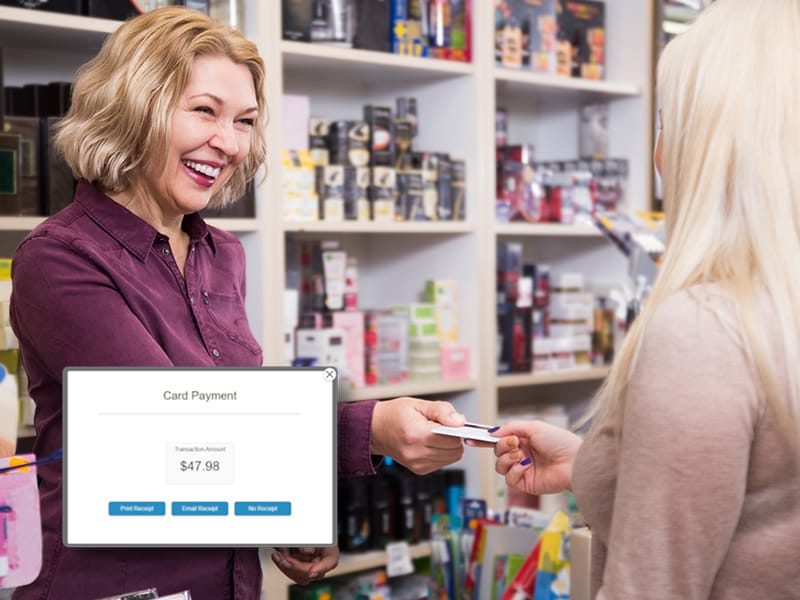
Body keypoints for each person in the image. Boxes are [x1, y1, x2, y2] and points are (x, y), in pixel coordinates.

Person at [9, 8, 467, 599]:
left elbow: (229, 413)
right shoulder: (59, 258)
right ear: (134, 107)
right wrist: (372, 426)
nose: (227, 143)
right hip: (112, 581)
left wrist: (289, 512)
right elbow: (169, 427)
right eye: (204, 111)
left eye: (245, 120)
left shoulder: (221, 253)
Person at [492, 1, 800, 597]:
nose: (659, 153)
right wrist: (598, 465)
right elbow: (758, 503)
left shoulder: (707, 328)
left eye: (666, 123)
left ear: (705, 143)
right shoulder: (775, 311)